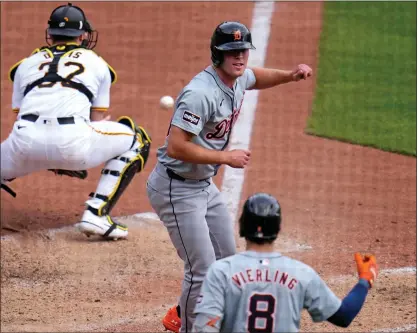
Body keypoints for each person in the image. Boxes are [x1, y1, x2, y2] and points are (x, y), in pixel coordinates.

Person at [146, 21, 312, 333]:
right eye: (232, 52)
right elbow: (177, 146)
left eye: (243, 51)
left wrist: (289, 76)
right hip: (175, 188)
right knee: (202, 269)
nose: (239, 57)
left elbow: (256, 76)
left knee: (227, 258)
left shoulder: (236, 78)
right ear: (217, 55)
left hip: (203, 186)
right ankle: (188, 327)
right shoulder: (200, 94)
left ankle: (213, 319)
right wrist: (226, 157)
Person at [1, 3, 151, 240]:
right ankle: (96, 214)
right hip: (73, 145)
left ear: (49, 35)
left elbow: (18, 114)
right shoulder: (98, 63)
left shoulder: (24, 65)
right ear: (83, 36)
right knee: (137, 140)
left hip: (24, 145)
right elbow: (96, 119)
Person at [192, 192, 379, 332]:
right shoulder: (301, 273)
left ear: (242, 226)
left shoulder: (221, 271)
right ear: (277, 228)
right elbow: (344, 316)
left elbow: (203, 328)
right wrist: (364, 281)